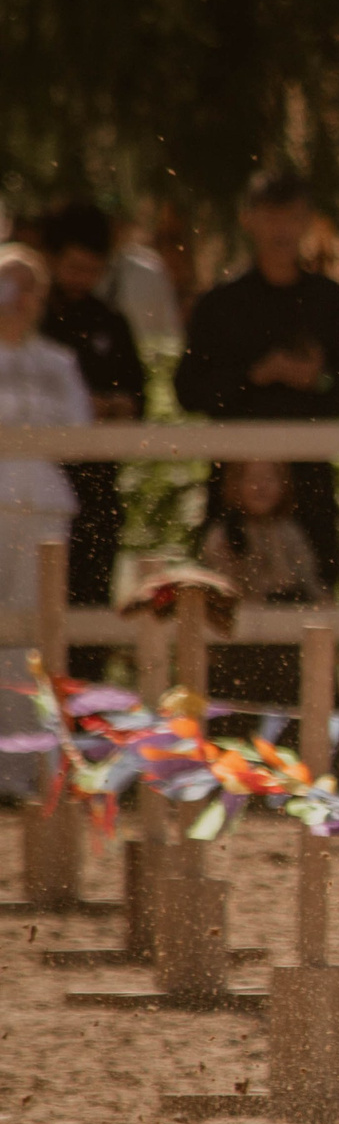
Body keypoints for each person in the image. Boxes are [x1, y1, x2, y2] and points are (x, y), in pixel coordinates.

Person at [174, 169, 339, 588]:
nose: (281, 229)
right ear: (250, 219)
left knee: (314, 600)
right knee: (226, 605)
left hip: (309, 482)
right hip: (235, 484)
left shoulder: (326, 300)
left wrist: (315, 381)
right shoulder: (220, 303)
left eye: (293, 217)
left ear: (308, 223)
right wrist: (254, 376)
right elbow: (188, 390)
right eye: (271, 216)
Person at [37, 203, 150, 673]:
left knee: (89, 606)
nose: (83, 278)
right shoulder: (30, 320)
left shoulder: (110, 321)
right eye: (74, 267)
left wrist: (113, 407)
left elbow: (139, 399)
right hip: (36, 486)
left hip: (96, 489)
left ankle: (85, 719)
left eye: (94, 270)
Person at [0, 244, 94, 797]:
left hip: (42, 503)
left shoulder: (58, 362)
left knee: (37, 638)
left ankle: (32, 770)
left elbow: (77, 433)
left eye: (29, 286)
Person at [197, 458, 322, 704]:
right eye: (251, 480)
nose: (260, 487)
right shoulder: (223, 534)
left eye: (268, 479)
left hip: (285, 642)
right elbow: (218, 587)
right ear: (236, 485)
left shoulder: (290, 533)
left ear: (283, 486)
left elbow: (309, 584)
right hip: (235, 644)